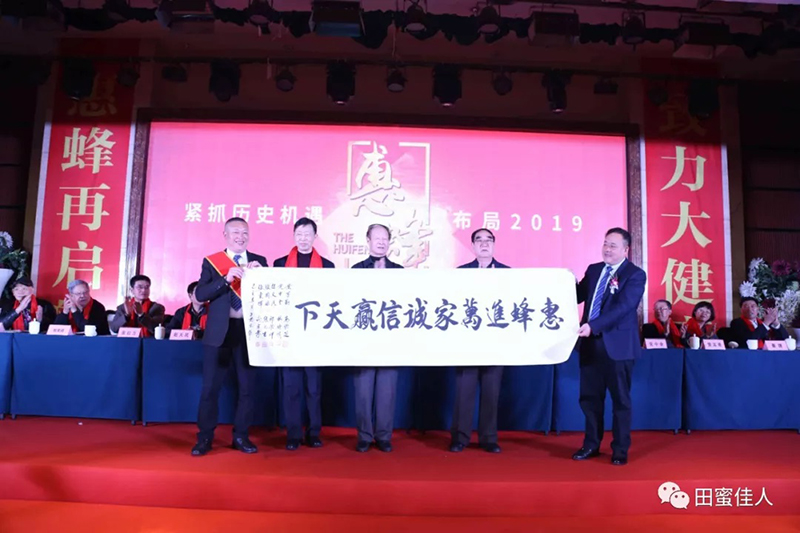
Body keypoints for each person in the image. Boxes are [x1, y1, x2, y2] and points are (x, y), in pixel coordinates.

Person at [192, 217, 268, 457]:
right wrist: (225, 280)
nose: (240, 237)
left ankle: (241, 436)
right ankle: (205, 438)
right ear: (225, 235)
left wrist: (263, 276)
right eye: (235, 232)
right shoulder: (212, 262)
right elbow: (200, 294)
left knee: (247, 389)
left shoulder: (259, 261)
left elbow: (270, 294)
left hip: (247, 332)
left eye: (244, 232)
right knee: (210, 389)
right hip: (219, 334)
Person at [574, 228, 646, 466]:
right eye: (605, 243)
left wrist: (593, 325)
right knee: (589, 399)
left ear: (626, 249)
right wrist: (564, 282)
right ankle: (591, 444)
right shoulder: (594, 270)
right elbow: (577, 296)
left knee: (620, 401)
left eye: (613, 245)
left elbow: (624, 307)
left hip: (618, 347)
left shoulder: (635, 275)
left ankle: (620, 449)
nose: (607, 249)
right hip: (590, 345)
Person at [273, 217, 335, 450]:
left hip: (315, 335)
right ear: (293, 235)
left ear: (315, 237)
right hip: (289, 335)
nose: (303, 238)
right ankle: (293, 434)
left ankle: (314, 432)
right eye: (299, 234)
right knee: (291, 387)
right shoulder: (280, 264)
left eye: (308, 234)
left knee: (314, 388)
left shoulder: (327, 266)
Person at [450, 228, 509, 454]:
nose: (484, 244)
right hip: (468, 343)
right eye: (479, 240)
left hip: (496, 342)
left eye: (488, 240)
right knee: (464, 392)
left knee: (491, 392)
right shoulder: (461, 273)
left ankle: (488, 438)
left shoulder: (508, 274)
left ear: (494, 244)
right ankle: (460, 438)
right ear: (473, 246)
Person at [351, 223, 402, 452]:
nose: (381, 242)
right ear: (368, 240)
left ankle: (383, 436)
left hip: (390, 341)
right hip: (363, 340)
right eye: (377, 238)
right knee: (363, 390)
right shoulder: (356, 270)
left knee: (387, 391)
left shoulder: (399, 271)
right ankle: (364, 436)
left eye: (385, 238)